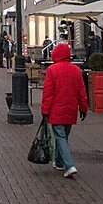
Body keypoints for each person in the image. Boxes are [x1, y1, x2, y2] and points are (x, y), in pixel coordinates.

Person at [40, 42, 88, 179]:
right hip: (71, 109)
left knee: (60, 137)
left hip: (56, 109)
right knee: (63, 136)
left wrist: (45, 110)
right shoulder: (76, 70)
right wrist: (83, 108)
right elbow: (82, 92)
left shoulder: (52, 70)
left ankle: (69, 165)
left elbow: (48, 93)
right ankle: (59, 162)